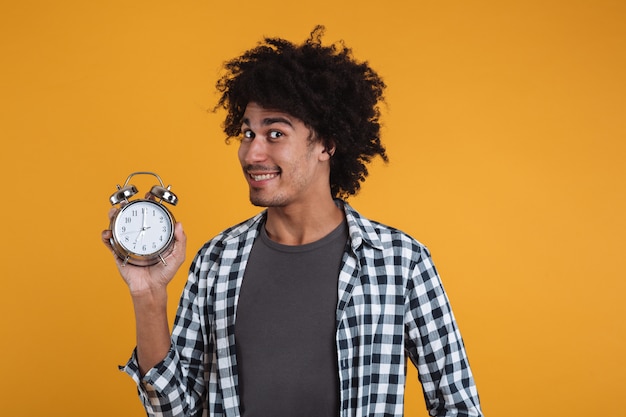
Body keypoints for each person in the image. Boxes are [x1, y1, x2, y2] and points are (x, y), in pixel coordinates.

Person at [102, 26, 483, 417]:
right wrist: (148, 297)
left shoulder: (400, 262)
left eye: (275, 132)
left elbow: (458, 405)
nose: (253, 152)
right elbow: (173, 412)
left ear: (327, 145)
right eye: (248, 132)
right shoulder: (216, 260)